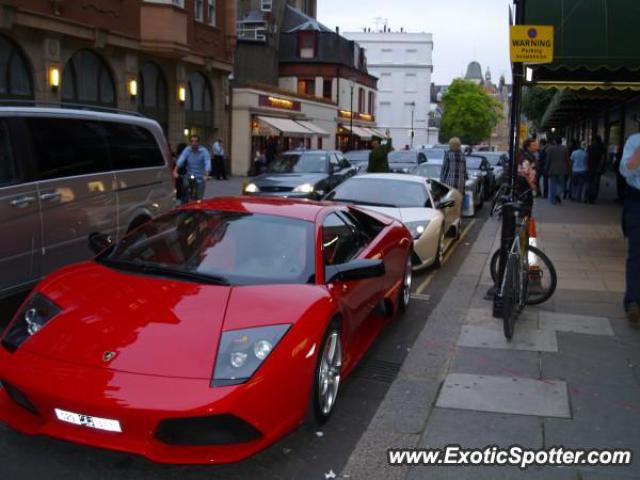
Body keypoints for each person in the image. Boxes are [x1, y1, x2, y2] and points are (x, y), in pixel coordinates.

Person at [619, 133, 640, 322]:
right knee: (637, 253)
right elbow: (625, 170)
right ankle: (633, 301)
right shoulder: (635, 141)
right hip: (637, 200)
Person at [173, 135, 211, 202]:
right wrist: (175, 171)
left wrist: (206, 174)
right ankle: (184, 202)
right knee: (185, 186)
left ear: (199, 143)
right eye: (192, 141)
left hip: (200, 176)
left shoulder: (204, 151)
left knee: (199, 197)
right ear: (190, 143)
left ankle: (199, 205)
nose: (194, 143)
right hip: (189, 174)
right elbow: (181, 159)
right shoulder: (187, 150)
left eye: (196, 141)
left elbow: (207, 162)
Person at [545, 137, 571, 205]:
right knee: (561, 185)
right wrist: (569, 169)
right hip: (562, 169)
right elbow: (567, 160)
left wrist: (546, 169)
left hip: (552, 169)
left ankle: (552, 200)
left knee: (552, 185)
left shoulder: (550, 149)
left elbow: (548, 160)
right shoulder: (565, 149)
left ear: (554, 141)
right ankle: (557, 194)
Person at [517, 139, 537, 207]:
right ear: (528, 147)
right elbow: (526, 172)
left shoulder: (528, 155)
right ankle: (525, 216)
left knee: (526, 201)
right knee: (527, 202)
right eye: (534, 145)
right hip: (524, 182)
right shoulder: (527, 157)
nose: (536, 147)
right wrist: (531, 184)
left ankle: (526, 216)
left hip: (524, 181)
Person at [586, 136, 606, 203]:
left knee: (589, 182)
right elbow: (602, 159)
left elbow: (587, 157)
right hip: (597, 168)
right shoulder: (602, 148)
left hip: (590, 167)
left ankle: (588, 196)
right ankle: (593, 198)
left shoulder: (590, 147)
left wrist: (586, 165)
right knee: (596, 183)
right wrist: (600, 167)